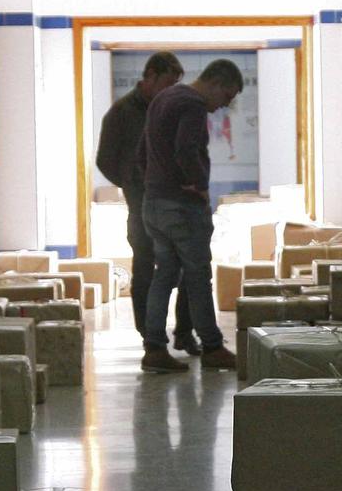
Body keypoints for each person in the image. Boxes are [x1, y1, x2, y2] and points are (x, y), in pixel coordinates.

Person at [138, 59, 244, 373]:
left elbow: (142, 154)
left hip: (154, 203)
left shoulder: (163, 98)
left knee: (164, 274)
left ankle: (154, 348)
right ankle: (212, 346)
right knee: (198, 276)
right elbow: (186, 149)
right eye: (227, 97)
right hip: (181, 207)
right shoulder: (192, 104)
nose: (222, 106)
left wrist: (156, 182)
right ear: (217, 83)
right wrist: (198, 184)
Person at [93, 51, 200, 351]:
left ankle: (184, 333)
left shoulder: (172, 110)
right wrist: (132, 184)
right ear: (149, 76)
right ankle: (150, 339)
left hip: (174, 202)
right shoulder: (122, 112)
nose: (170, 91)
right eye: (166, 83)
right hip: (141, 207)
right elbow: (105, 160)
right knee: (145, 269)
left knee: (191, 267)